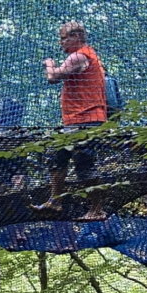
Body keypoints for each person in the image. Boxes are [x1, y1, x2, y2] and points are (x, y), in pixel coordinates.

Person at [43, 21, 108, 217]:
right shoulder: (90, 55)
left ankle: (93, 209)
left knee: (75, 161)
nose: (60, 42)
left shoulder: (80, 55)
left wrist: (49, 63)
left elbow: (52, 77)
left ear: (76, 37)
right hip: (80, 120)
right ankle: (58, 201)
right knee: (68, 159)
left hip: (85, 119)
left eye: (64, 38)